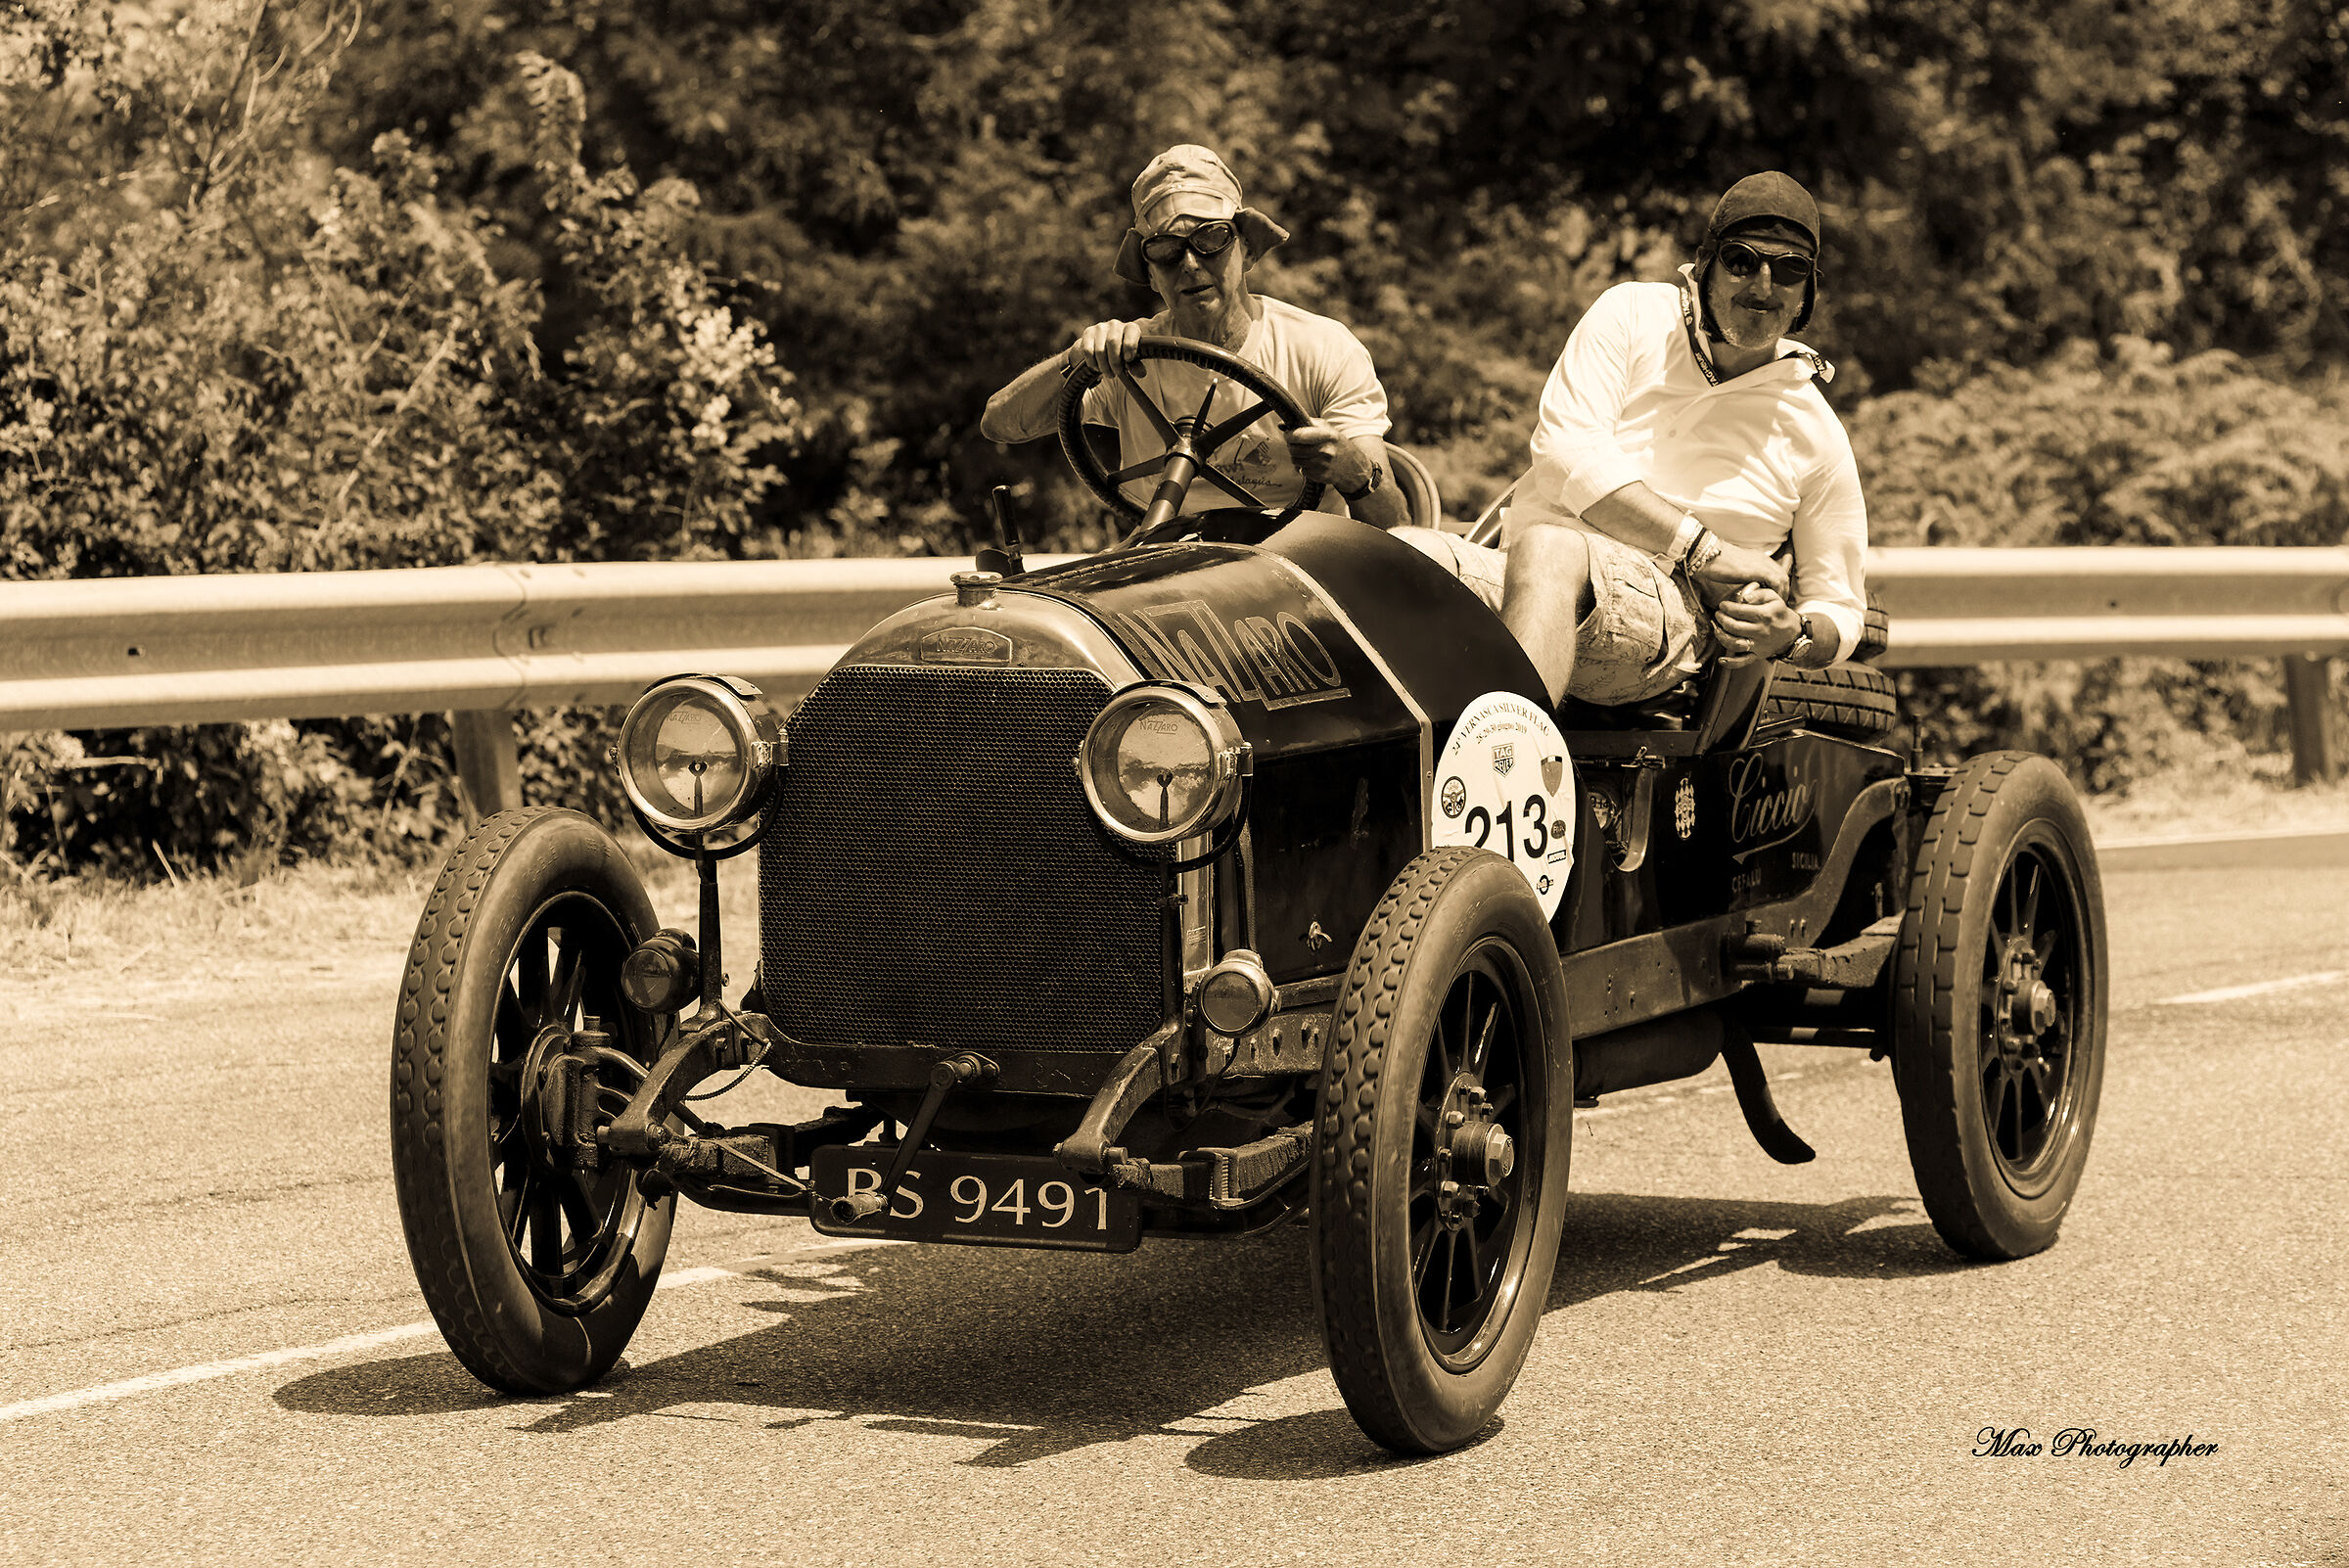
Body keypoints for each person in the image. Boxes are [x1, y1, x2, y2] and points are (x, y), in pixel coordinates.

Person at [1411, 172, 1866, 706]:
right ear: (1706, 266)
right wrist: (1706, 551)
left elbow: (1840, 607)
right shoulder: (1631, 314)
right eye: (1743, 260)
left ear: (1806, 292)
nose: (1763, 285)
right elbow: (1565, 457)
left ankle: (1509, 771)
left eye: (1789, 269)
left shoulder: (1817, 429)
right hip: (1525, 575)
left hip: (1674, 624)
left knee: (1552, 547)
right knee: (1398, 554)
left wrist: (1792, 634)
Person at [981, 144, 1406, 529]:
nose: (1189, 264)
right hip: (1170, 575)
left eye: (1211, 239)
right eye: (1165, 250)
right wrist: (1075, 360)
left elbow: (1396, 527)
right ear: (1149, 274)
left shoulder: (1322, 348)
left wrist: (1354, 473)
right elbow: (999, 424)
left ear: (1248, 249)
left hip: (1300, 571)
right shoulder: (1128, 360)